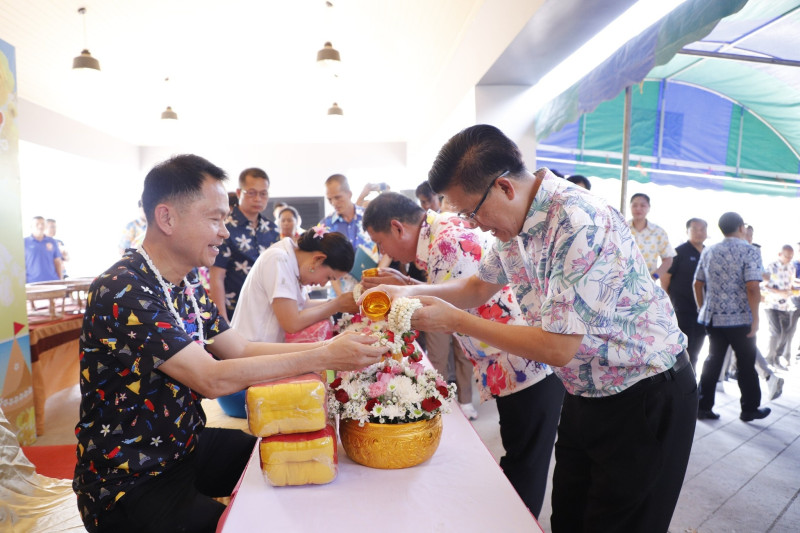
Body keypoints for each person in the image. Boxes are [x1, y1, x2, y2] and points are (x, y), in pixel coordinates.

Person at [363, 125, 696, 533]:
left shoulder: (577, 220)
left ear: (504, 187)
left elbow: (557, 348)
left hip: (642, 390)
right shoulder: (517, 225)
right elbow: (476, 286)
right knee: (569, 517)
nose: (474, 226)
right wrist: (409, 292)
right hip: (584, 390)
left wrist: (457, 320)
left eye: (472, 212)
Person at [73, 154, 384, 533]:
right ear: (167, 218)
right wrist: (324, 355)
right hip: (130, 478)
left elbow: (241, 348)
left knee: (299, 458)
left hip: (185, 446)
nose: (225, 232)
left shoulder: (187, 283)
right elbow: (211, 379)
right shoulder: (122, 288)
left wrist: (329, 351)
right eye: (215, 219)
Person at [360, 192, 563, 517]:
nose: (383, 253)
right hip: (510, 363)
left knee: (524, 465)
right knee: (522, 458)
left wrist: (392, 304)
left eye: (379, 243)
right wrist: (407, 284)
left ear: (397, 228)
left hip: (523, 363)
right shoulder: (441, 232)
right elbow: (459, 291)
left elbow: (452, 306)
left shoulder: (446, 242)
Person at [694, 212, 770, 422]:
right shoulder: (750, 250)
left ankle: (703, 406)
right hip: (741, 319)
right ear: (741, 227)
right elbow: (752, 287)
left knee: (713, 360)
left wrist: (703, 308)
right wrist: (756, 319)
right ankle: (749, 409)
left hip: (713, 317)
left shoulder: (709, 250)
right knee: (745, 363)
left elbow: (697, 283)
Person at [231, 228, 358, 343]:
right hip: (249, 347)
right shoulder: (278, 259)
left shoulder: (293, 262)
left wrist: (339, 304)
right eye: (328, 277)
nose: (323, 283)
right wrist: (336, 305)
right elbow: (292, 323)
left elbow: (303, 305)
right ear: (318, 259)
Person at [209, 167, 280, 323]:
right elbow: (216, 277)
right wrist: (222, 320)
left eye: (263, 194)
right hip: (235, 312)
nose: (258, 199)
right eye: (252, 193)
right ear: (239, 192)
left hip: (267, 312)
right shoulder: (225, 228)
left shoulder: (273, 229)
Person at [662, 218, 708, 369]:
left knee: (696, 352)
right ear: (687, 231)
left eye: (702, 229)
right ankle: (682, 381)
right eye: (695, 229)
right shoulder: (679, 252)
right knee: (682, 351)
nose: (699, 232)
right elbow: (665, 277)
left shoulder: (709, 252)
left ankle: (693, 379)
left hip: (703, 311)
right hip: (682, 309)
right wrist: (669, 301)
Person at [319, 174, 375, 295]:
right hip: (341, 290)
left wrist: (377, 278)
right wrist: (341, 297)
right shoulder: (325, 225)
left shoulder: (369, 217)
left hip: (372, 286)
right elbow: (326, 262)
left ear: (349, 194)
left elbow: (385, 251)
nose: (334, 203)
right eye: (330, 199)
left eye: (337, 197)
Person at [628, 192, 676, 283]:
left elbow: (668, 259)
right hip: (622, 282)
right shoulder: (622, 229)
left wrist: (654, 277)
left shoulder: (658, 232)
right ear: (630, 207)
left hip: (646, 284)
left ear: (649, 207)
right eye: (634, 205)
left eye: (643, 205)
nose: (638, 208)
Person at [763, 245, 796, 370]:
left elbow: (791, 285)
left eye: (791, 257)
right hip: (771, 304)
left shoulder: (791, 267)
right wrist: (779, 292)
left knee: (785, 333)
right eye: (787, 256)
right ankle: (769, 359)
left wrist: (792, 290)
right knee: (775, 332)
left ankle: (777, 358)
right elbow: (764, 285)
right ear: (780, 254)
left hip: (786, 305)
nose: (789, 259)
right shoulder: (771, 267)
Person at [24, 216, 63, 283]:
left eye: (42, 224)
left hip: (52, 281)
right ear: (31, 226)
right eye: (37, 224)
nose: (40, 226)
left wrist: (60, 280)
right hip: (32, 282)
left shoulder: (52, 241)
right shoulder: (24, 242)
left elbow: (57, 261)